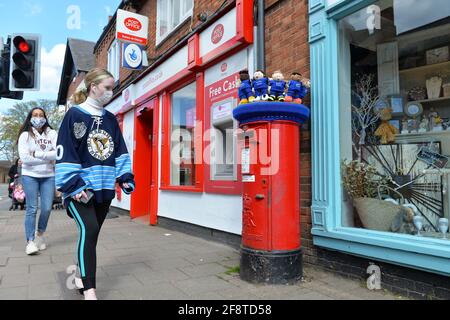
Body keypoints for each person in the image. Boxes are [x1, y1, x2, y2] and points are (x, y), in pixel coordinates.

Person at [55, 68, 135, 300]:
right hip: (79, 190)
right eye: (107, 88)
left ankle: (81, 270)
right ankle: (89, 289)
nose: (111, 92)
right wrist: (74, 186)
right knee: (89, 229)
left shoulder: (110, 119)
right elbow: (65, 152)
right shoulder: (74, 115)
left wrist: (126, 177)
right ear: (93, 87)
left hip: (104, 189)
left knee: (91, 235)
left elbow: (119, 150)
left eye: (112, 88)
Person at [17, 108, 57, 255]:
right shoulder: (25, 135)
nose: (38, 118)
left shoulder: (51, 133)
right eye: (35, 115)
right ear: (30, 117)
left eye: (41, 115)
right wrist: (48, 158)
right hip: (30, 176)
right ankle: (30, 241)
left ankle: (39, 235)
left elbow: (58, 153)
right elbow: (25, 158)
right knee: (32, 208)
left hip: (48, 176)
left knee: (46, 208)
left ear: (45, 118)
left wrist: (36, 154)